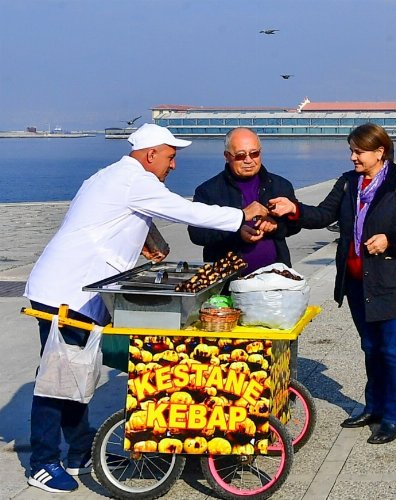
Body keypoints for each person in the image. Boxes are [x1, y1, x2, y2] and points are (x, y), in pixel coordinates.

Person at [23, 123, 264, 493]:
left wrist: (151, 239)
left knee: (77, 374)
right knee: (59, 378)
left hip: (77, 289)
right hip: (65, 291)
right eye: (170, 157)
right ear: (151, 154)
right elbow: (185, 211)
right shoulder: (135, 181)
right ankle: (41, 462)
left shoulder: (115, 176)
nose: (173, 166)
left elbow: (129, 216)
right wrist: (241, 216)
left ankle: (79, 451)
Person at [268, 123, 396, 445]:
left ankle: (395, 418)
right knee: (371, 347)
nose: (352, 156)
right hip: (357, 282)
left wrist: (390, 239)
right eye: (351, 150)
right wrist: (294, 209)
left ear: (379, 152)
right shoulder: (348, 183)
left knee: (394, 349)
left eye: (359, 151)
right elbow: (322, 215)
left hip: (393, 281)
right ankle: (374, 407)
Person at [188, 127, 300, 274]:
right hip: (227, 280)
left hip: (276, 277)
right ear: (227, 156)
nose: (249, 160)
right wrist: (236, 232)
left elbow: (294, 226)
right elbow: (197, 234)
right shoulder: (208, 191)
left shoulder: (280, 185)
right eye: (240, 155)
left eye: (254, 154)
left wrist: (275, 227)